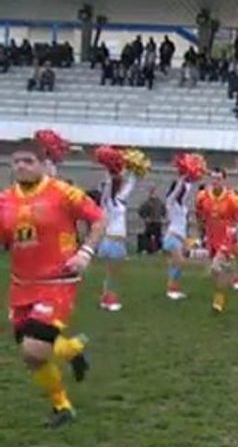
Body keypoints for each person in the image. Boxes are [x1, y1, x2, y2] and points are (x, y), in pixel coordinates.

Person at [0, 138, 105, 428]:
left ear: (44, 164)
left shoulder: (63, 193)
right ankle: (63, 404)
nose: (22, 166)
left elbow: (98, 219)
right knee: (34, 357)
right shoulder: (5, 199)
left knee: (33, 348)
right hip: (21, 284)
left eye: (29, 161)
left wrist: (85, 252)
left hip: (57, 280)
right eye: (17, 161)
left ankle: (70, 356)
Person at [195, 169, 238, 314]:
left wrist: (236, 230)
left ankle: (219, 300)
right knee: (219, 271)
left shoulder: (232, 198)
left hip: (227, 237)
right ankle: (230, 275)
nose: (215, 182)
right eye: (213, 178)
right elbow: (200, 217)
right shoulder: (202, 196)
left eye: (218, 179)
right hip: (211, 237)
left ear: (224, 180)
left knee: (215, 267)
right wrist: (201, 234)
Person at [97, 170, 136, 311]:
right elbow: (107, 189)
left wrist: (133, 170)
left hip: (118, 241)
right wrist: (110, 175)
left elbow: (130, 186)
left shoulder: (119, 201)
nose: (121, 186)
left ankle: (106, 298)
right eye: (119, 185)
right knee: (112, 272)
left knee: (113, 273)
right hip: (111, 240)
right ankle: (110, 300)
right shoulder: (107, 202)